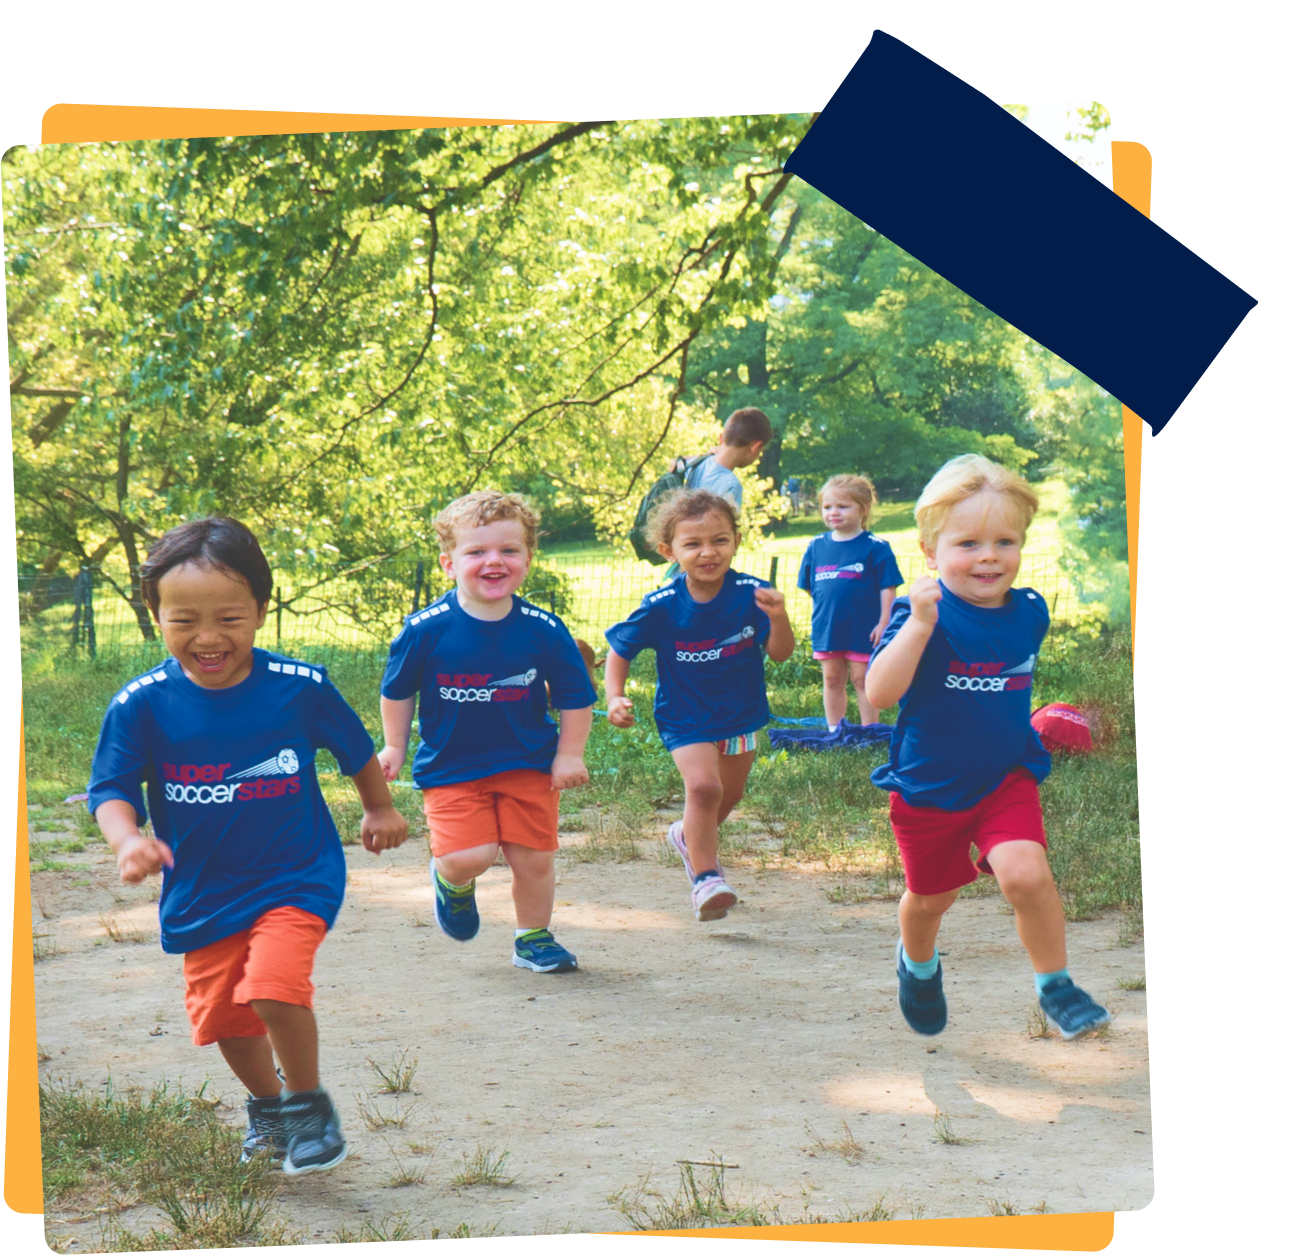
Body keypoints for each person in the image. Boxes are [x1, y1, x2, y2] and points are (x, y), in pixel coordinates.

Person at [87, 517, 409, 1175]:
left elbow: (355, 752)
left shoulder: (300, 685)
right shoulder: (141, 704)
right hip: (203, 889)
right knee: (225, 1018)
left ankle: (308, 1107)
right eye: (185, 621)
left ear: (261, 610)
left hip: (296, 873)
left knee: (271, 986)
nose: (209, 637)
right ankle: (269, 1107)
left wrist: (379, 807)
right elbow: (111, 788)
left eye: (230, 617)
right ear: (156, 615)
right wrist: (127, 840)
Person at [864, 455, 1111, 1041]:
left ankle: (1056, 985)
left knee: (1026, 875)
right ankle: (917, 964)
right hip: (931, 787)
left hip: (1006, 775)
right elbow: (879, 691)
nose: (989, 556)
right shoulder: (921, 614)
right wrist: (920, 626)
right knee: (930, 902)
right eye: (967, 543)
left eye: (1006, 541)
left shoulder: (1029, 612)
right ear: (930, 551)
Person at [378, 491, 596, 973]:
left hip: (529, 764)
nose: (493, 561)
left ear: (527, 559)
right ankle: (450, 881)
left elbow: (575, 697)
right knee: (470, 857)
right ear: (449, 563)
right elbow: (397, 693)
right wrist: (395, 744)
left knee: (533, 858)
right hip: (452, 767)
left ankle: (533, 938)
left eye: (508, 550)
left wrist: (570, 754)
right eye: (476, 552)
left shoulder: (544, 629)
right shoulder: (424, 630)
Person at [605, 488, 794, 921]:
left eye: (719, 540)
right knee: (705, 788)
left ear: (736, 541)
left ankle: (687, 835)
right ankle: (706, 879)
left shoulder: (753, 593)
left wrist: (779, 618)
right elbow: (620, 651)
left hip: (741, 713)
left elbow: (781, 653)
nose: (708, 552)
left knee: (729, 794)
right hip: (684, 716)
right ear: (668, 550)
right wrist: (614, 694)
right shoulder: (662, 605)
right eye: (693, 544)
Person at [797, 474, 904, 730]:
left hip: (864, 629)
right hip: (829, 628)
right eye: (827, 507)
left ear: (863, 509)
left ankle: (870, 730)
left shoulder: (877, 547)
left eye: (843, 506)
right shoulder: (816, 546)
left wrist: (884, 622)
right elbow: (811, 587)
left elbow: (888, 588)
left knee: (861, 679)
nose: (834, 512)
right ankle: (835, 730)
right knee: (832, 678)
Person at [663, 407, 774, 582]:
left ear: (721, 437)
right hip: (705, 569)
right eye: (760, 452)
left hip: (683, 560)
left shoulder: (695, 464)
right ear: (756, 447)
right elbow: (723, 532)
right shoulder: (731, 485)